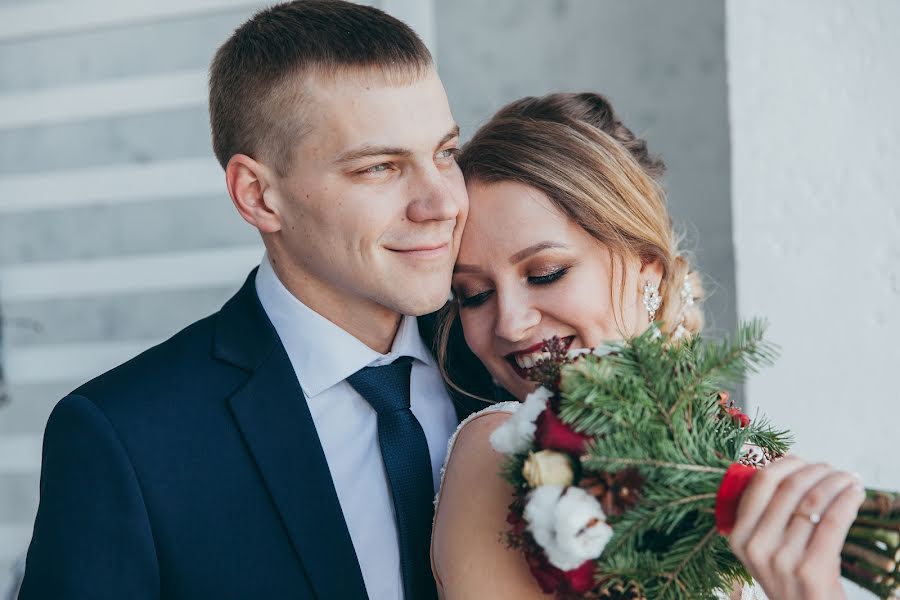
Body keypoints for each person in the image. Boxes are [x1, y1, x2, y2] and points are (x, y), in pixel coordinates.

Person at [20, 1, 471, 598]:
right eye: (380, 168)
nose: (441, 203)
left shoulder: (502, 357)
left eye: (444, 153)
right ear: (257, 195)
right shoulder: (125, 439)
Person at [430, 92, 865, 599]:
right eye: (474, 295)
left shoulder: (717, 437)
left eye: (546, 274)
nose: (511, 323)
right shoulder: (503, 453)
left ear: (647, 271)